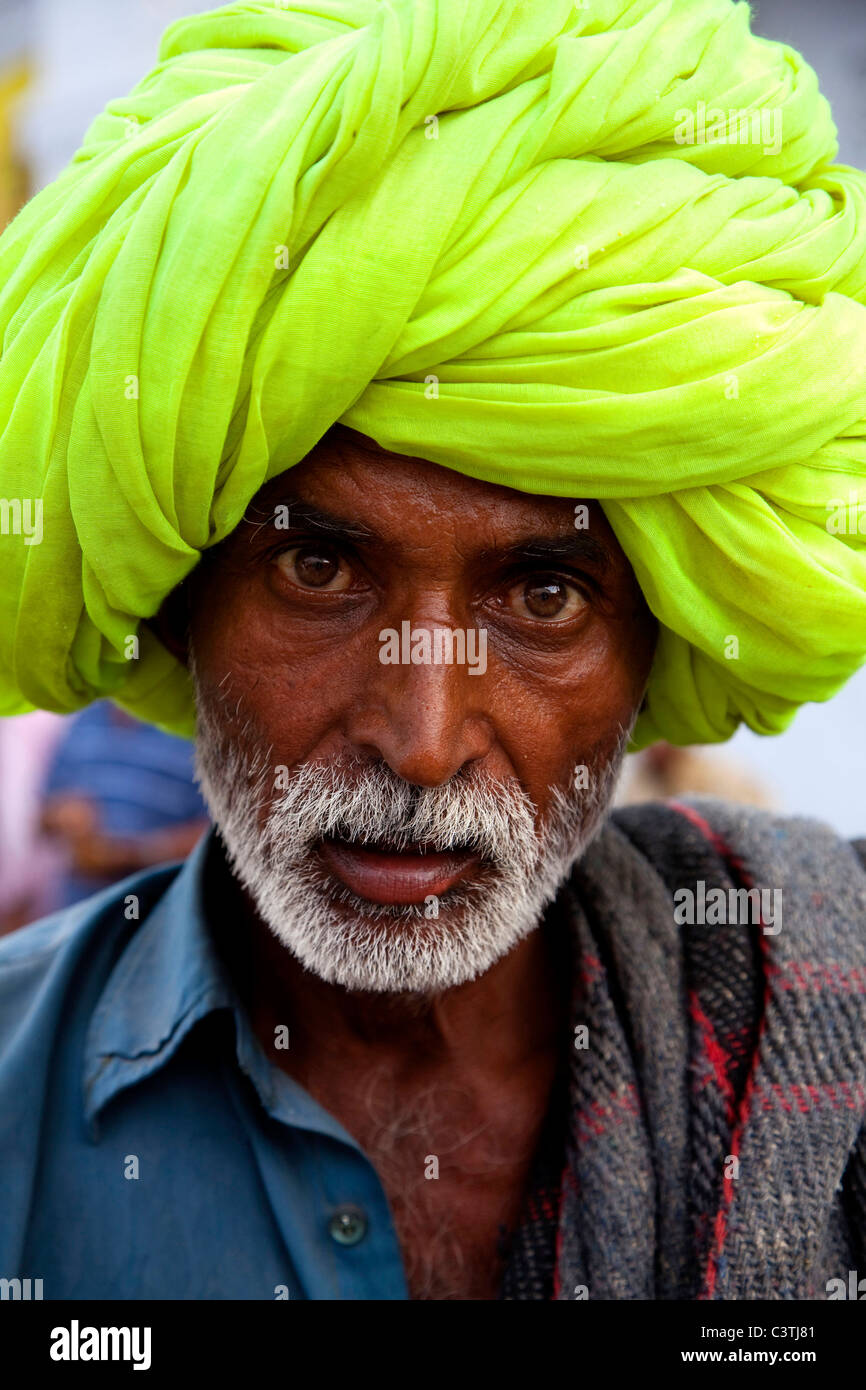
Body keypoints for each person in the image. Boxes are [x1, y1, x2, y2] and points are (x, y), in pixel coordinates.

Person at [0, 0, 865, 1302]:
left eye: (545, 596)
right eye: (318, 568)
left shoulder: (822, 1008)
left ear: (657, 636)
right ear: (178, 593)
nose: (421, 741)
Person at [39, 702, 210, 907]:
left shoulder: (191, 726)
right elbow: (44, 812)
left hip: (155, 906)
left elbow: (219, 836)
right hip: (82, 907)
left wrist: (130, 854)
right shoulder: (86, 717)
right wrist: (64, 814)